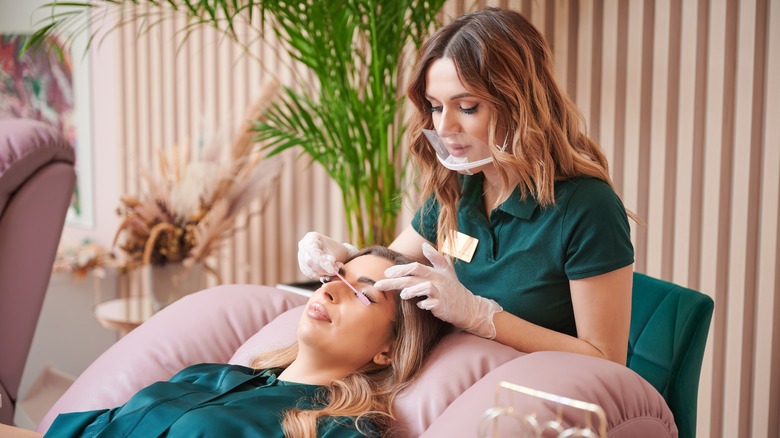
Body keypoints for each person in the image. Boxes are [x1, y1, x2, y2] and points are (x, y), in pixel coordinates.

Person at [297, 7, 634, 366]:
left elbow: (607, 360)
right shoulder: (459, 187)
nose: (443, 127)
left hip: (539, 400)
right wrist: (345, 257)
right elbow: (391, 272)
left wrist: (483, 318)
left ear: (520, 106)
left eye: (468, 107)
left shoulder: (586, 207)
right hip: (461, 384)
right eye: (436, 107)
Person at [28, 246, 450, 438]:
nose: (328, 292)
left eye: (362, 292)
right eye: (333, 277)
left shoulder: (339, 430)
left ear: (389, 349)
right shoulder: (210, 376)